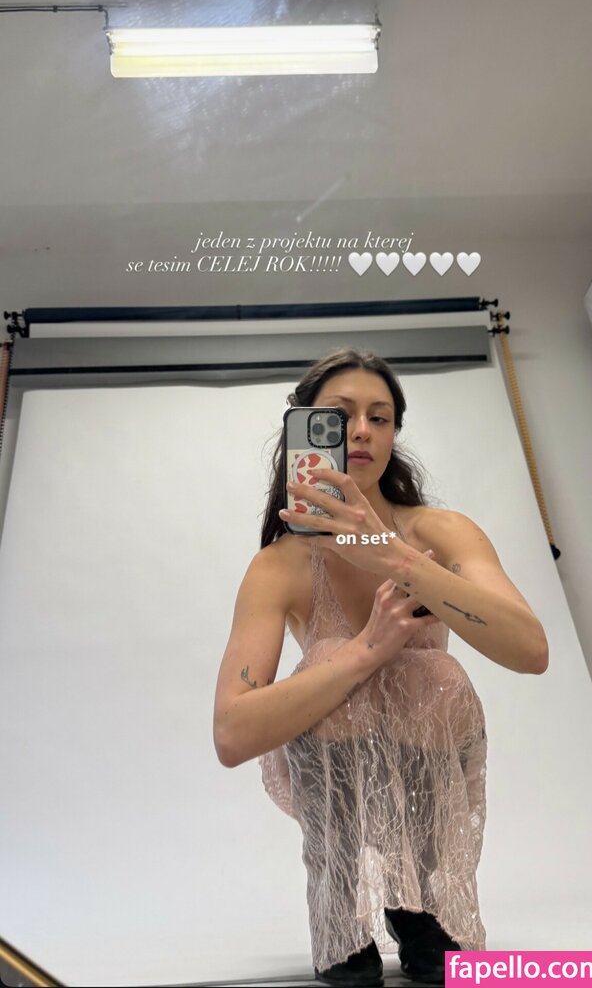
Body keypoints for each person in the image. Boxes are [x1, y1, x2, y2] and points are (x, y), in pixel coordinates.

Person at [213, 348, 549, 987]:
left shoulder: (439, 531)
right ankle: (341, 903)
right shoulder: (281, 565)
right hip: (334, 759)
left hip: (426, 751)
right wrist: (369, 646)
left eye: (381, 417)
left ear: (395, 433)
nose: (363, 431)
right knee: (332, 659)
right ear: (304, 427)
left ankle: (421, 902)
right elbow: (232, 734)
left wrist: (390, 554)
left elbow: (530, 651)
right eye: (339, 417)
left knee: (437, 676)